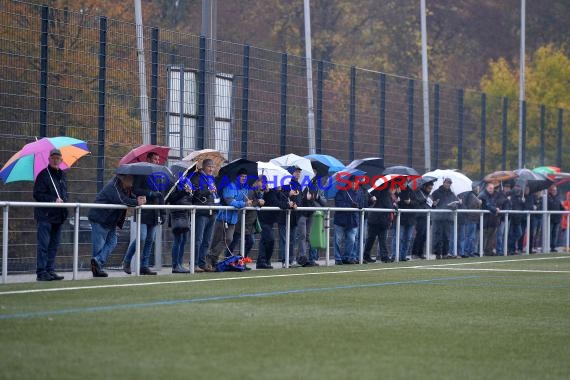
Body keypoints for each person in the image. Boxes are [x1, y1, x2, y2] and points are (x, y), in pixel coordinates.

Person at [88, 174, 146, 277]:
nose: (133, 181)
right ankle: (97, 269)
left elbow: (130, 198)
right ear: (123, 178)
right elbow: (121, 200)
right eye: (131, 178)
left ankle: (98, 262)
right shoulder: (113, 186)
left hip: (110, 220)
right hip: (100, 218)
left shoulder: (126, 188)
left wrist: (139, 199)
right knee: (99, 246)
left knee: (112, 242)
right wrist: (137, 202)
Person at [121, 152, 165, 275]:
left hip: (155, 212)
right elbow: (135, 190)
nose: (157, 161)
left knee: (150, 239)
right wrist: (150, 193)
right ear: (148, 159)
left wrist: (163, 213)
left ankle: (144, 266)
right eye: (154, 159)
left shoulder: (159, 175)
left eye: (158, 159)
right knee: (142, 237)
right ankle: (127, 260)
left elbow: (161, 195)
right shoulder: (141, 173)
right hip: (143, 211)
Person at [33, 148, 68, 281]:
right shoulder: (43, 175)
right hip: (45, 216)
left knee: (54, 245)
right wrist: (53, 200)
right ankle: (41, 272)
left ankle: (50, 269)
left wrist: (64, 202)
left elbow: (64, 193)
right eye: (53, 158)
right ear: (49, 159)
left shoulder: (63, 175)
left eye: (57, 158)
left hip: (58, 217)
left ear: (61, 160)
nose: (55, 160)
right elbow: (37, 194)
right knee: (44, 245)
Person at [207, 168, 252, 269]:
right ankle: (210, 260)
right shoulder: (230, 186)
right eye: (241, 176)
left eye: (245, 177)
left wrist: (248, 202)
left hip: (233, 219)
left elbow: (244, 202)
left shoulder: (245, 189)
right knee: (217, 240)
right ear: (237, 177)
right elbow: (230, 202)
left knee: (228, 239)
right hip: (223, 217)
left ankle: (212, 258)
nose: (243, 178)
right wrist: (244, 203)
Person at [190, 158, 220, 272]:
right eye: (209, 167)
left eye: (213, 167)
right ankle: (194, 263)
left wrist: (216, 197)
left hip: (212, 212)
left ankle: (202, 264)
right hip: (201, 213)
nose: (212, 169)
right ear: (204, 167)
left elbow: (214, 195)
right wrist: (208, 191)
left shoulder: (211, 179)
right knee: (198, 239)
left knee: (207, 240)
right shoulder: (196, 177)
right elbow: (196, 194)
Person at [227, 176, 265, 259]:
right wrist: (257, 202)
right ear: (256, 182)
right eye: (262, 182)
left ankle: (239, 259)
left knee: (248, 242)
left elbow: (256, 205)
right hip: (242, 221)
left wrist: (259, 202)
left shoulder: (260, 193)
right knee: (235, 241)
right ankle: (229, 259)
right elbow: (247, 203)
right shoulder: (250, 191)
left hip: (249, 223)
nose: (264, 184)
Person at [256, 181, 290, 269]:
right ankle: (262, 261)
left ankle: (264, 261)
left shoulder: (279, 193)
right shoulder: (271, 193)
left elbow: (285, 201)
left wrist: (291, 204)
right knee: (269, 239)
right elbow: (277, 204)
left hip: (269, 221)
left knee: (266, 240)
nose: (280, 186)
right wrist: (287, 205)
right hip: (263, 219)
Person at [333, 176, 362, 265]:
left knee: (352, 240)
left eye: (355, 182)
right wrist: (350, 206)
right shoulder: (341, 191)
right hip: (340, 220)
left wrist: (358, 206)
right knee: (338, 240)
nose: (354, 184)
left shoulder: (359, 193)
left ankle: (346, 257)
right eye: (352, 182)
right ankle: (338, 258)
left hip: (353, 220)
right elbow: (339, 204)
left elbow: (362, 205)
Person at [167, 178, 193, 273]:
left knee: (183, 240)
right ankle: (175, 265)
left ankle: (180, 264)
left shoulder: (187, 181)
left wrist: (190, 193)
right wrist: (184, 192)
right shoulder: (174, 184)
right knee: (178, 240)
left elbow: (190, 199)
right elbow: (171, 198)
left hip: (186, 214)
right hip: (177, 214)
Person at [431, 178, 460, 259]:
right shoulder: (436, 192)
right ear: (444, 183)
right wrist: (435, 204)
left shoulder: (452, 193)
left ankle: (445, 253)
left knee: (446, 237)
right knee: (438, 236)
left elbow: (456, 205)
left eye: (449, 183)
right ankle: (438, 254)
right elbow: (432, 205)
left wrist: (455, 205)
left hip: (447, 218)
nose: (448, 184)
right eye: (447, 183)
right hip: (438, 218)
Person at [363, 187, 394, 263]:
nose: (394, 190)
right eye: (393, 188)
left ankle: (382, 256)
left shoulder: (384, 194)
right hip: (376, 221)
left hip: (380, 221)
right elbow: (388, 206)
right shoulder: (384, 194)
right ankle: (383, 256)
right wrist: (394, 205)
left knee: (376, 239)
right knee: (372, 239)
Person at [411, 181, 434, 259]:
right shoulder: (417, 192)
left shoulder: (429, 195)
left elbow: (430, 206)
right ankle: (414, 253)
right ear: (424, 186)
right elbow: (416, 203)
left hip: (428, 217)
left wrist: (434, 205)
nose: (430, 190)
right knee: (419, 235)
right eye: (429, 188)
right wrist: (423, 200)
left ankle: (420, 252)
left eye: (431, 188)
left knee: (425, 236)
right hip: (420, 217)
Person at [478, 183, 501, 256]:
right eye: (490, 188)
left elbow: (492, 205)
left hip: (491, 220)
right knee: (483, 237)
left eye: (493, 188)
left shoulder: (491, 196)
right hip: (484, 220)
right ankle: (481, 251)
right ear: (486, 188)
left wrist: (495, 209)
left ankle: (488, 251)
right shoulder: (483, 195)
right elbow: (487, 205)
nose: (492, 190)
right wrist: (495, 209)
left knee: (490, 237)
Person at [547, 185, 564, 252]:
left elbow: (561, 208)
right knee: (549, 233)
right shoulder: (547, 198)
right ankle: (547, 246)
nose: (555, 191)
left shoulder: (558, 198)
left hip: (557, 219)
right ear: (550, 191)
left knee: (555, 234)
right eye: (553, 190)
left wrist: (564, 208)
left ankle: (553, 247)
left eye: (555, 190)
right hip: (550, 219)